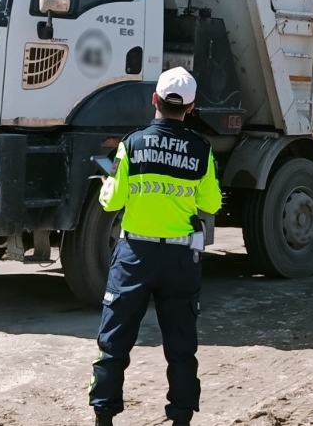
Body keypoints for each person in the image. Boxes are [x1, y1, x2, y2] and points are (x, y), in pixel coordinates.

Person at [89, 66, 222, 426]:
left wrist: (107, 182)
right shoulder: (201, 150)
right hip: (180, 258)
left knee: (114, 341)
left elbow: (111, 203)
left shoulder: (132, 144)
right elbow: (210, 205)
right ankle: (180, 418)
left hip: (135, 256)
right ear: (191, 108)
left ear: (154, 100)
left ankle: (104, 415)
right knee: (181, 345)